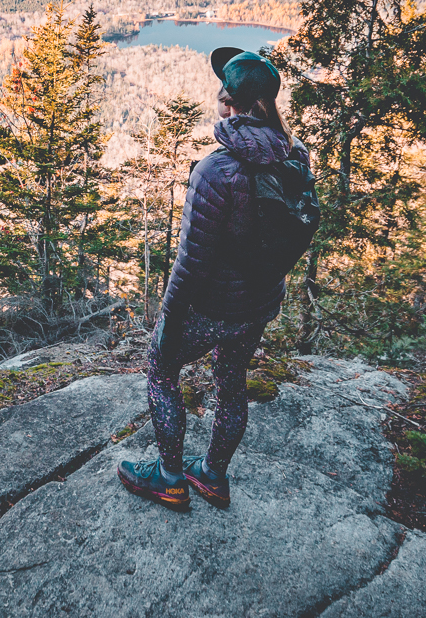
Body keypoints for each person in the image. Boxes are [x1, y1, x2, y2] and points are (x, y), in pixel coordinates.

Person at [117, 46, 309, 511]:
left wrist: (169, 319)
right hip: (258, 305)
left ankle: (169, 479)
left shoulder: (215, 170)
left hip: (211, 307)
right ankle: (213, 476)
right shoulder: (296, 156)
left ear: (228, 103)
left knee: (161, 371)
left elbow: (191, 263)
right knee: (232, 381)